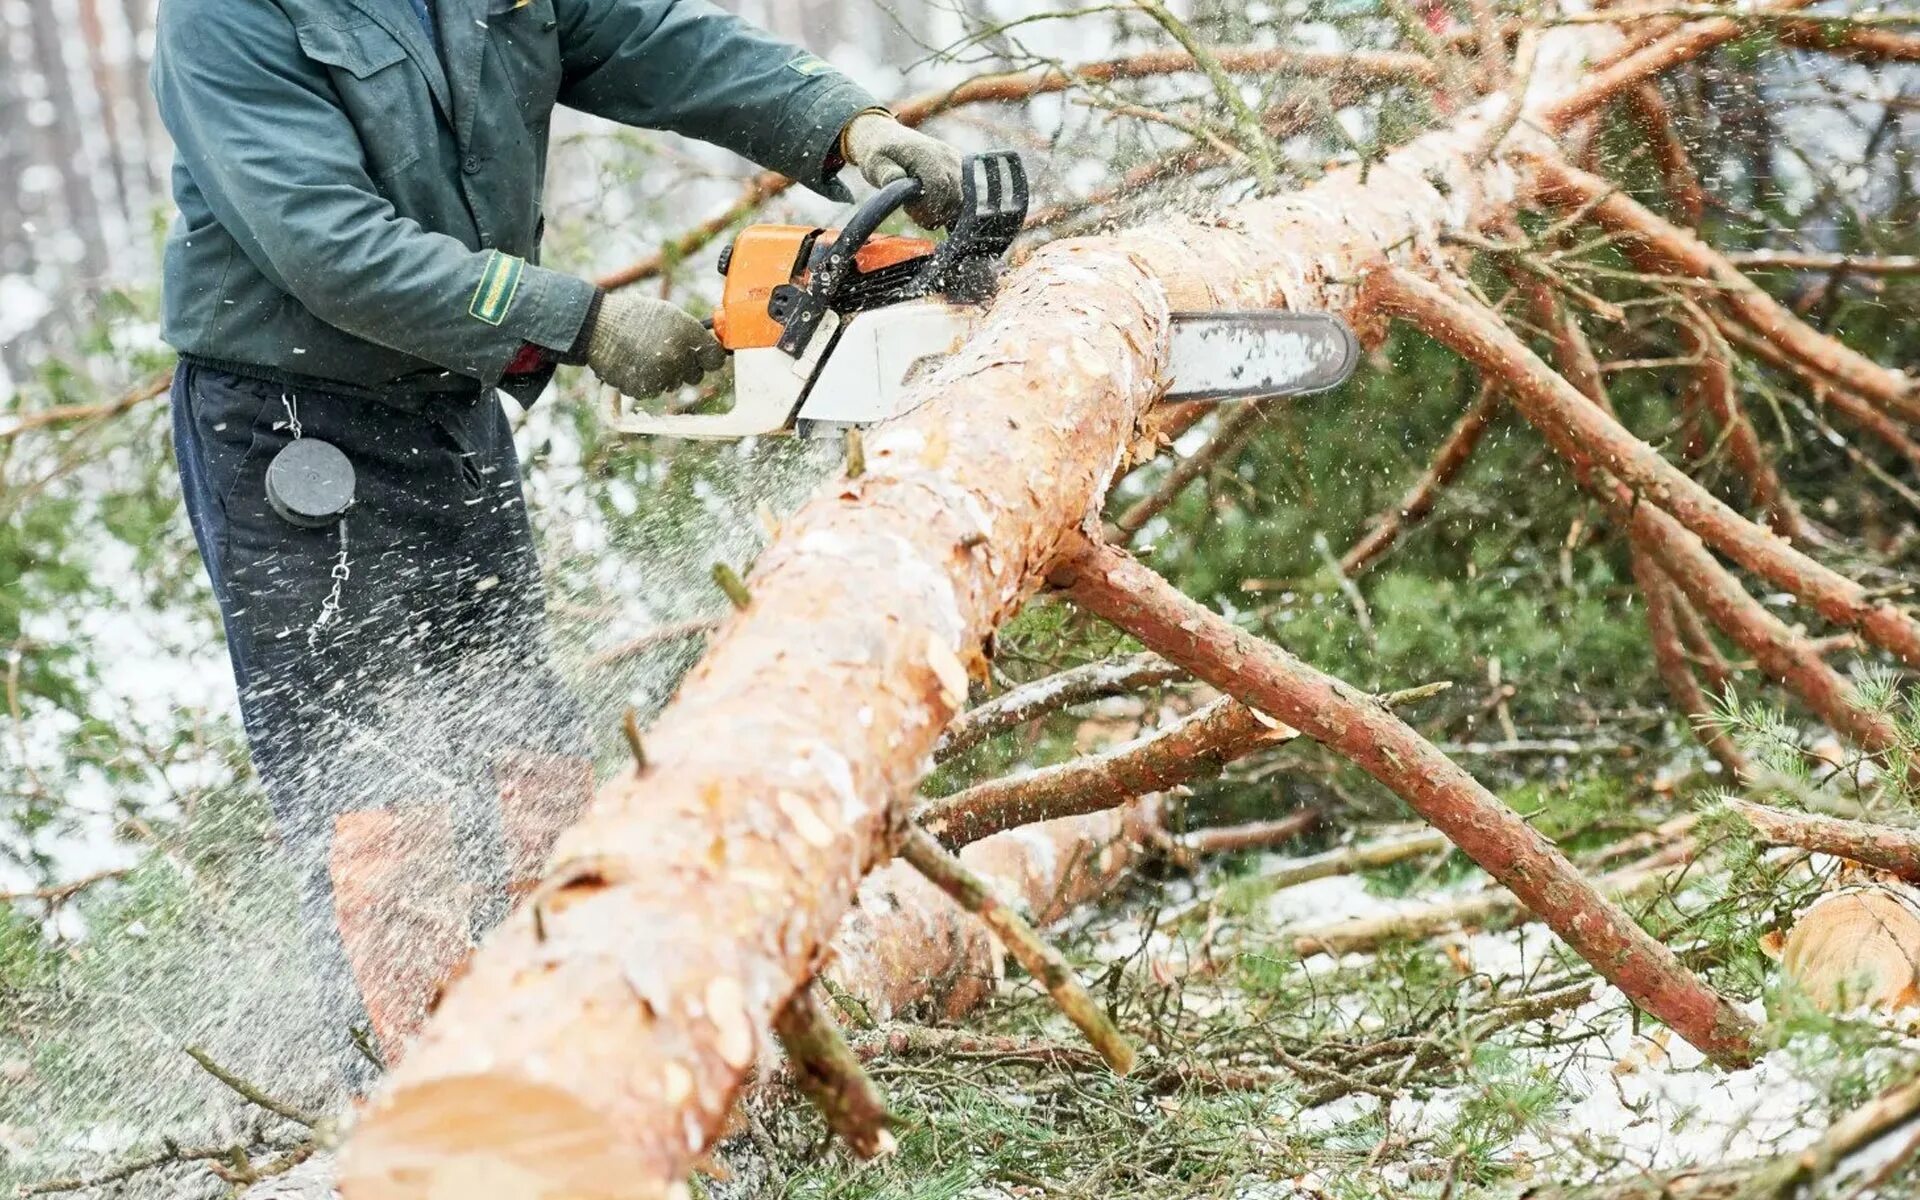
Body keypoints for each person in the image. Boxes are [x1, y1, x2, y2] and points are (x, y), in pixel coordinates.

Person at [150, 0, 963, 1079]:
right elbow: (323, 241)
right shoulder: (228, 16)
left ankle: (583, 1068)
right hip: (293, 425)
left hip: (449, 394)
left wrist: (843, 125)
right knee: (379, 807)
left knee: (523, 758)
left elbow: (652, 40)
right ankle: (424, 1117)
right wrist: (571, 319)